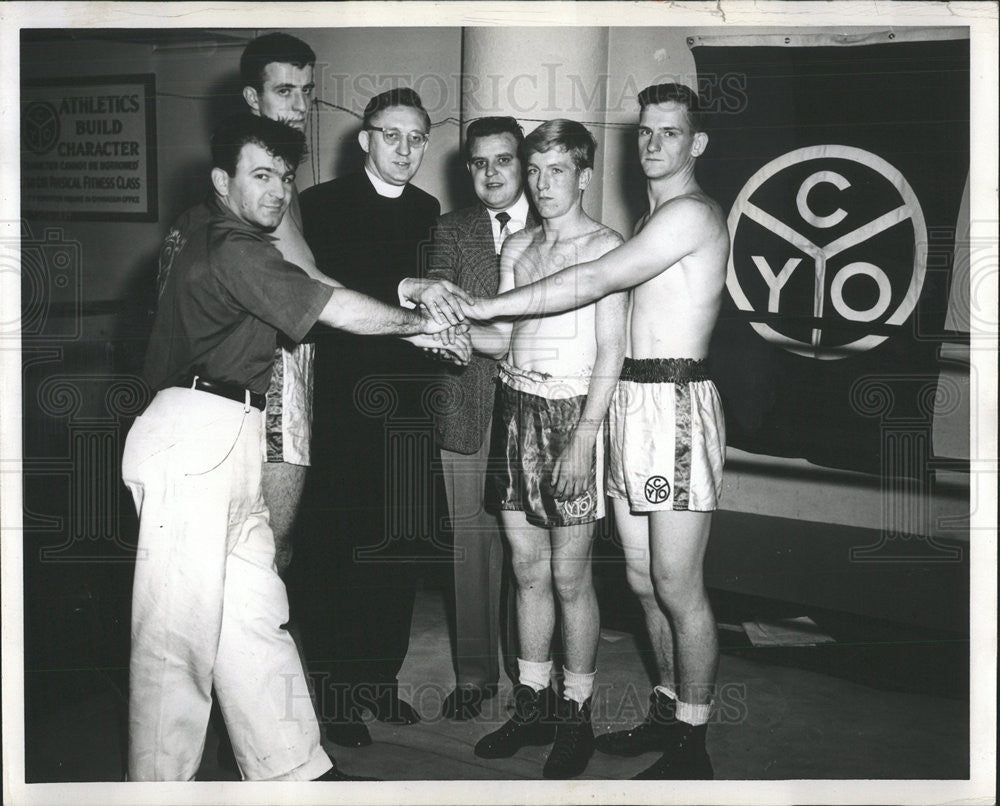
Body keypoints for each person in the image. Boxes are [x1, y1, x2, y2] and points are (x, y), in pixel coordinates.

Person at [122, 113, 455, 781]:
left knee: (254, 619)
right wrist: (416, 325)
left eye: (285, 178)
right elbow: (328, 305)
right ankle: (154, 789)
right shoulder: (235, 247)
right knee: (176, 640)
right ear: (223, 180)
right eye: (260, 176)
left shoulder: (199, 223)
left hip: (232, 430)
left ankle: (294, 770)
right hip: (193, 431)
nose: (277, 192)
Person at [460, 84, 729, 780]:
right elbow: (522, 337)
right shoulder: (651, 216)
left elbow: (596, 280)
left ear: (696, 143)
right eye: (645, 131)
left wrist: (485, 302)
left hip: (669, 401)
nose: (652, 143)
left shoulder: (689, 215)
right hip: (631, 403)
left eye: (669, 133)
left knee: (676, 581)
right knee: (641, 579)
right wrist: (453, 327)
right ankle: (667, 710)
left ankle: (692, 746)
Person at [466, 120, 628, 779]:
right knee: (526, 571)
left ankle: (576, 717)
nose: (543, 183)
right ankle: (530, 705)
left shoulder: (607, 246)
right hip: (514, 409)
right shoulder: (520, 246)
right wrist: (440, 330)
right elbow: (499, 340)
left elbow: (612, 351)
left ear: (585, 175)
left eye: (558, 170)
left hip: (572, 417)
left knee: (569, 578)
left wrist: (585, 437)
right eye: (535, 171)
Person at [296, 87, 443, 748]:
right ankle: (333, 695)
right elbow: (333, 291)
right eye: (392, 135)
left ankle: (379, 680)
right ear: (365, 139)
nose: (405, 150)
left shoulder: (426, 208)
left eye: (416, 137)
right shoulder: (320, 204)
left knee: (399, 547)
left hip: (408, 403)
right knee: (338, 552)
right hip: (344, 402)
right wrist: (406, 301)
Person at [398, 116, 535, 721]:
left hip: (541, 404)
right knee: (472, 545)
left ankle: (533, 672)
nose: (489, 174)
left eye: (502, 160)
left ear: (524, 163)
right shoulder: (451, 229)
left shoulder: (558, 224)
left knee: (536, 546)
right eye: (477, 164)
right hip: (467, 397)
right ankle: (475, 674)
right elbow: (442, 308)